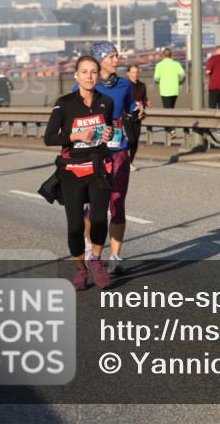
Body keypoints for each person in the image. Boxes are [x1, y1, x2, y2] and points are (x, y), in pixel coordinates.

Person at [43, 55, 115, 291]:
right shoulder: (64, 103)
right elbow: (49, 138)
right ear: (76, 75)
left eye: (93, 72)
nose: (89, 76)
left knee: (98, 219)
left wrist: (107, 135)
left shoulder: (106, 101)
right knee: (75, 226)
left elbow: (108, 130)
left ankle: (95, 259)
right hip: (72, 171)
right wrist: (74, 136)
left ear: (98, 75)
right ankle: (80, 270)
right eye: (84, 72)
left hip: (98, 167)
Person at [79, 41, 139, 275]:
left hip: (118, 151)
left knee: (117, 202)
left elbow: (131, 105)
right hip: (94, 152)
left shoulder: (124, 84)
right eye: (112, 56)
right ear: (100, 59)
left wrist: (136, 110)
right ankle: (92, 249)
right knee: (94, 207)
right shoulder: (89, 86)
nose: (117, 60)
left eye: (117, 56)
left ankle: (116, 256)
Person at [124, 63, 149, 171]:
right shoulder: (125, 85)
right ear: (128, 73)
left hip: (138, 116)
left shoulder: (142, 85)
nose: (135, 74)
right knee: (132, 139)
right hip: (127, 115)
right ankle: (120, 153)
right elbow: (122, 100)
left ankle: (130, 162)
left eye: (136, 72)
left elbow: (143, 100)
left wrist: (146, 104)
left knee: (136, 141)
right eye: (133, 72)